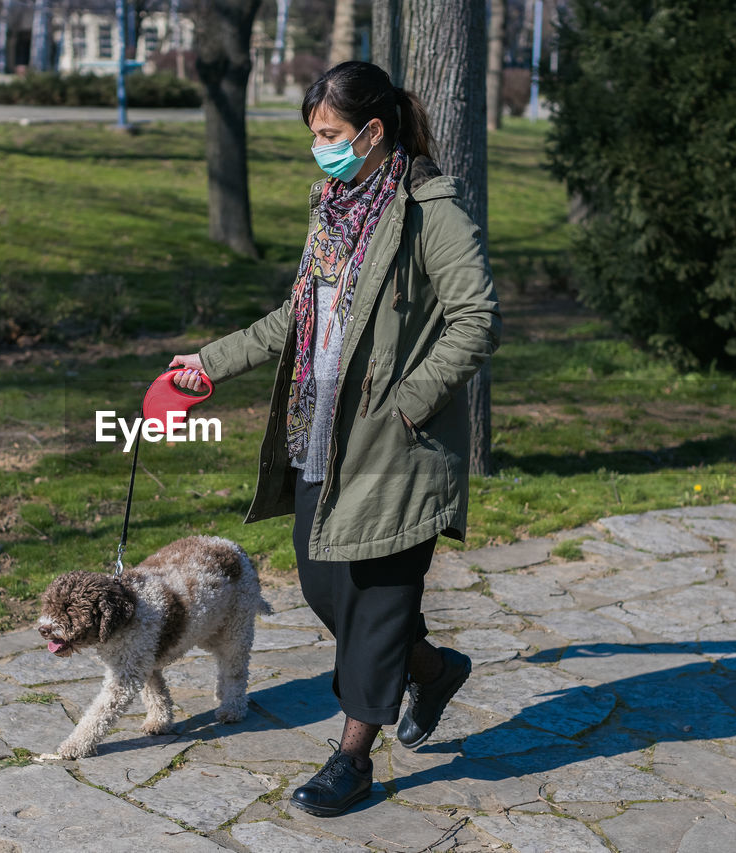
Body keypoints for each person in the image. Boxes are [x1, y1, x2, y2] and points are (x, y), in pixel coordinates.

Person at [169, 60, 501, 817]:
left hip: (396, 443)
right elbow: (297, 316)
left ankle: (353, 759)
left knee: (378, 600)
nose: (320, 148)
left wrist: (411, 401)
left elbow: (477, 318)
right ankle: (432, 667)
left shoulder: (429, 210)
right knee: (326, 586)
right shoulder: (334, 207)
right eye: (316, 136)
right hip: (320, 429)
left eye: (331, 134)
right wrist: (210, 364)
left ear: (374, 132)